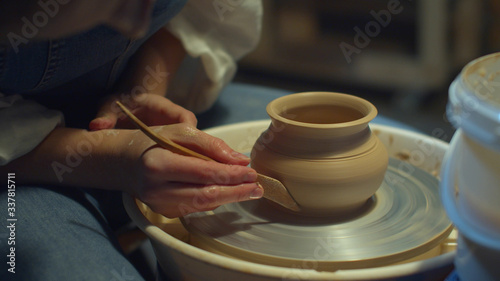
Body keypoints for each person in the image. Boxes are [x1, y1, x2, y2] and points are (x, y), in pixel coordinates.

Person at [0, 0, 263, 280]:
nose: (137, 28)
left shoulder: (137, 19)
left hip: (128, 109)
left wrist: (141, 88)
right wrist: (116, 157)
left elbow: (195, 14)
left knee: (277, 130)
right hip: (18, 169)